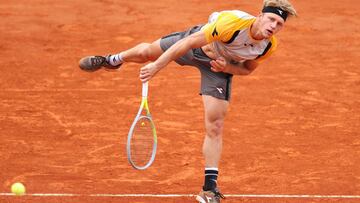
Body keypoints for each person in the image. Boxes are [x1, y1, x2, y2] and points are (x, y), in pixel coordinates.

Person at [79, 0, 296, 202]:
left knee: (216, 124)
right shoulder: (232, 23)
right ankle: (112, 60)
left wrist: (226, 68)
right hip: (193, 47)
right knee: (147, 53)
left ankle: (209, 188)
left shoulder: (267, 46)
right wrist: (156, 66)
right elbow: (188, 42)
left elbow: (246, 70)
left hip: (216, 66)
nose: (274, 26)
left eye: (279, 24)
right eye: (271, 19)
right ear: (260, 16)